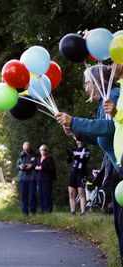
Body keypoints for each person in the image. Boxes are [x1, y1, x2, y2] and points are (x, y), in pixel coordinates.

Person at [56, 64, 122, 261]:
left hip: (120, 169)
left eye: (86, 82)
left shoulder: (114, 94)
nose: (85, 87)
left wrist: (74, 121)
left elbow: (111, 127)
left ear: (96, 82)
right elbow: (104, 136)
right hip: (118, 171)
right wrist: (79, 133)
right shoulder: (105, 99)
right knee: (120, 225)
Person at [103, 64, 123, 263]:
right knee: (119, 223)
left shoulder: (117, 92)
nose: (110, 66)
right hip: (119, 161)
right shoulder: (120, 88)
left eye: (114, 61)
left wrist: (117, 112)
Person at [66, 141, 90, 216]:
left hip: (82, 173)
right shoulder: (74, 150)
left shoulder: (87, 150)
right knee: (71, 192)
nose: (78, 141)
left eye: (80, 140)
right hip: (73, 172)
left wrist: (74, 156)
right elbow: (69, 161)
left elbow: (84, 160)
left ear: (83, 141)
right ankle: (72, 212)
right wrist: (69, 156)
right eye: (77, 140)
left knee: (81, 192)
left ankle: (83, 212)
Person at [16, 141, 36, 216]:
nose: (25, 151)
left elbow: (38, 163)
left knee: (31, 195)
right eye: (24, 150)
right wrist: (20, 166)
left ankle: (32, 212)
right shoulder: (21, 155)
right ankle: (24, 212)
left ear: (30, 148)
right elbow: (17, 164)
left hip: (31, 178)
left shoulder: (35, 155)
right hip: (22, 178)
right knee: (23, 196)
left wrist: (32, 166)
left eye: (27, 150)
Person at [35, 144, 56, 213]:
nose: (43, 151)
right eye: (41, 150)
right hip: (39, 179)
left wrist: (42, 168)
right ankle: (42, 209)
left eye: (44, 150)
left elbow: (52, 169)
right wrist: (36, 168)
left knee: (47, 194)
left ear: (47, 151)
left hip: (47, 179)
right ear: (39, 151)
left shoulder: (49, 158)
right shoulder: (38, 158)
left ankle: (48, 209)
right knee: (40, 194)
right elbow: (35, 167)